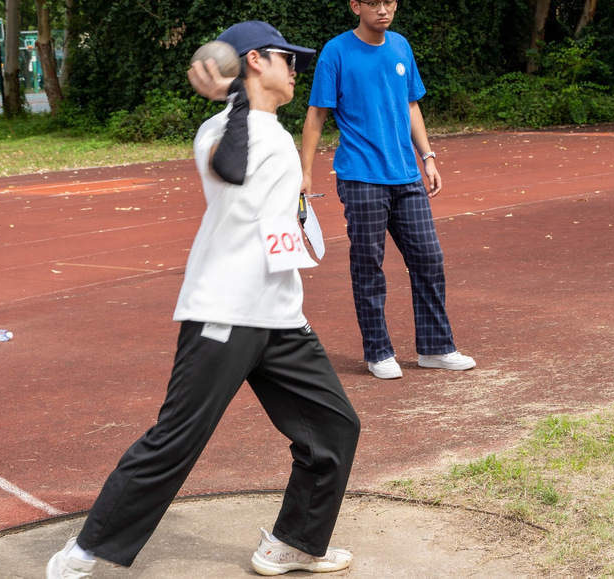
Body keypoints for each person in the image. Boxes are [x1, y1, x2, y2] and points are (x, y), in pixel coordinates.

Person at [47, 21, 360, 578]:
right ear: (256, 60)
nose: (297, 70)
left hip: (278, 312)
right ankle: (83, 553)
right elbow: (229, 167)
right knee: (178, 438)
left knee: (334, 427)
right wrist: (235, 98)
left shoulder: (269, 130)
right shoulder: (221, 129)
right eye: (288, 59)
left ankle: (294, 543)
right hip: (225, 311)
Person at [300, 0, 475, 380]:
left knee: (429, 258)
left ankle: (435, 348)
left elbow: (411, 105)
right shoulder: (336, 51)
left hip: (406, 175)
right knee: (368, 265)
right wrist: (305, 171)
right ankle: (378, 352)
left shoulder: (400, 46)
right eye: (374, 2)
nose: (383, 9)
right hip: (361, 175)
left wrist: (428, 157)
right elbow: (317, 114)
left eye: (389, 2)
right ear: (355, 6)